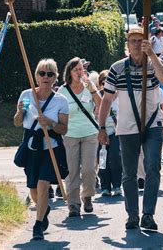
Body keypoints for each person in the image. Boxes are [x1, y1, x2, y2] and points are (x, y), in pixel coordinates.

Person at [97, 27, 163, 230]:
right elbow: (107, 99)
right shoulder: (117, 68)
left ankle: (148, 214)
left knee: (153, 167)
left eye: (140, 41)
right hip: (127, 127)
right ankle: (132, 215)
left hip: (153, 124)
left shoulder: (153, 64)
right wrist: (102, 127)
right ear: (127, 45)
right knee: (128, 173)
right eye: (133, 41)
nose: (137, 44)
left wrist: (152, 55)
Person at [13, 58, 69, 240]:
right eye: (42, 73)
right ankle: (43, 209)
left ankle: (37, 226)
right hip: (31, 147)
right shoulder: (26, 95)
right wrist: (20, 112)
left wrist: (50, 123)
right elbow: (17, 122)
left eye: (50, 74)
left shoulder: (61, 100)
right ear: (36, 76)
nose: (46, 77)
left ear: (55, 77)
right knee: (33, 188)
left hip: (50, 148)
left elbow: (63, 129)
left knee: (43, 184)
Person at [57, 57, 102, 217]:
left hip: (90, 132)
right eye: (75, 69)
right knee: (72, 171)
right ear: (69, 72)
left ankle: (88, 196)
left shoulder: (88, 87)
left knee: (89, 169)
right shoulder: (62, 91)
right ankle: (73, 204)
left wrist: (92, 88)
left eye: (81, 69)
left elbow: (101, 103)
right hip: (70, 135)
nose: (79, 72)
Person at [97, 70, 122, 197]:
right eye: (103, 82)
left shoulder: (121, 96)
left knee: (116, 158)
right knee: (102, 159)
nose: (105, 85)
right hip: (100, 132)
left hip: (116, 132)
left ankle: (117, 185)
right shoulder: (97, 97)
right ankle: (105, 186)